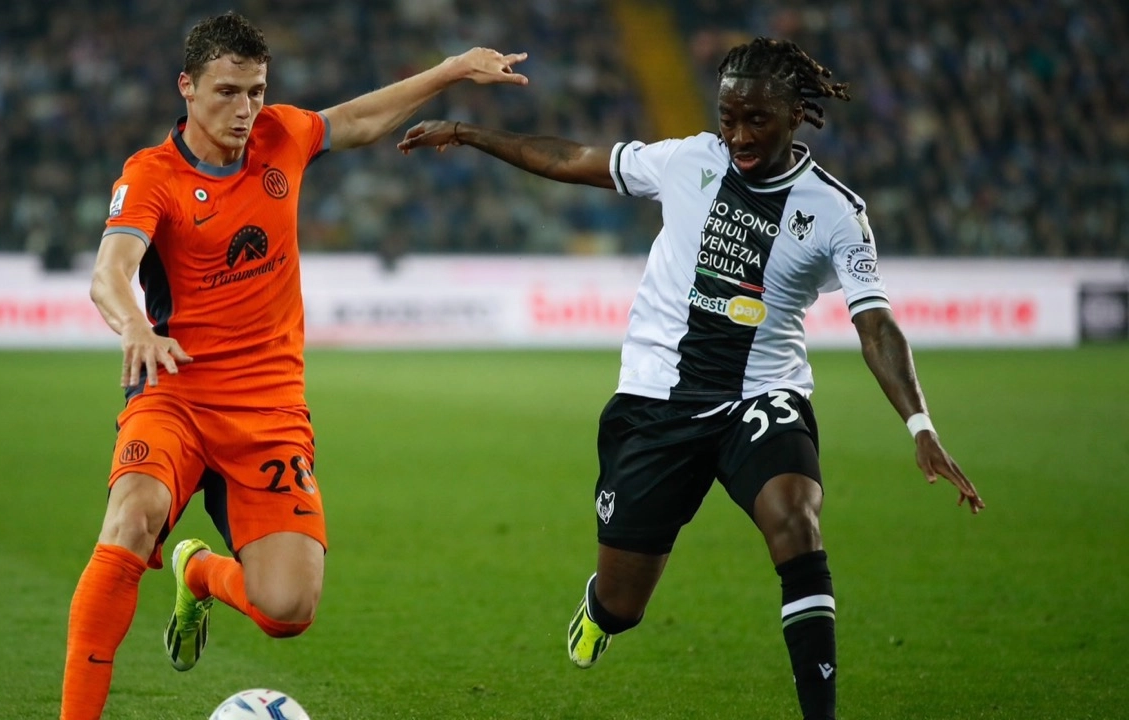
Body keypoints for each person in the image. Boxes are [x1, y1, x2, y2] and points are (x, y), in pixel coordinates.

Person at [399, 37, 984, 720]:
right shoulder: (686, 161)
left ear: (796, 115)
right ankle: (600, 611)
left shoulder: (834, 211)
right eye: (728, 118)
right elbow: (568, 158)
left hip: (761, 397)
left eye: (756, 120)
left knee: (795, 522)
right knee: (623, 604)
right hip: (657, 402)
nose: (738, 135)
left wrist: (920, 425)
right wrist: (467, 132)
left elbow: (875, 323)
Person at [60, 12, 527, 720]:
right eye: (227, 92)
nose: (244, 109)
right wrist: (135, 328)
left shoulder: (282, 135)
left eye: (255, 91)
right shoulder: (152, 175)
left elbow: (361, 119)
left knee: (287, 608)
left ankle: (198, 571)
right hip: (175, 394)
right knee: (131, 517)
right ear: (187, 87)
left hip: (269, 412)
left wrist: (454, 68)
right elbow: (109, 273)